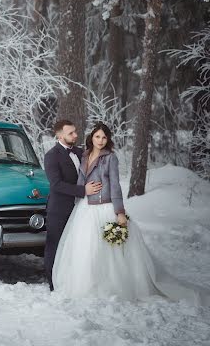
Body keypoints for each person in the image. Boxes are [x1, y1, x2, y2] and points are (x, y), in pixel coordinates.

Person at [52, 122, 210, 305]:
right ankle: (88, 284)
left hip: (105, 207)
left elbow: (115, 186)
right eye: (97, 137)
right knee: (86, 248)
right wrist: (78, 199)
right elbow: (81, 180)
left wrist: (119, 212)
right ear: (91, 138)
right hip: (85, 208)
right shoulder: (85, 154)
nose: (101, 140)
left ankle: (110, 286)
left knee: (109, 251)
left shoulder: (110, 158)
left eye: (104, 137)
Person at [43, 120, 102, 291]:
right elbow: (56, 184)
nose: (76, 135)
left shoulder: (80, 152)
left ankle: (70, 280)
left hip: (81, 209)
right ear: (59, 135)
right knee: (55, 245)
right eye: (71, 133)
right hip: (59, 209)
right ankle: (53, 283)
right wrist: (83, 190)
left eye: (75, 132)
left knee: (75, 245)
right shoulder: (51, 156)